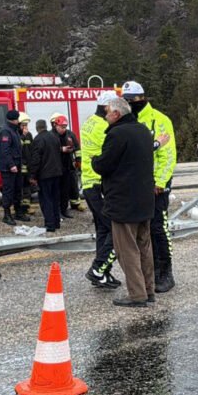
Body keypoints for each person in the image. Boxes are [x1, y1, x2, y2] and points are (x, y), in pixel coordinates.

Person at [92, 97, 155, 307]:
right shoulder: (143, 130)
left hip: (123, 201)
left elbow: (104, 164)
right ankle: (148, 289)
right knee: (144, 247)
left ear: (117, 114)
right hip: (144, 199)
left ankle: (137, 295)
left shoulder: (117, 134)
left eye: (107, 112)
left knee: (126, 250)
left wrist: (93, 160)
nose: (105, 115)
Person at [122, 80, 178, 293]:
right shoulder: (128, 121)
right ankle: (149, 271)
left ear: (142, 98)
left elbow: (168, 155)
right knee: (140, 231)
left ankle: (165, 272)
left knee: (158, 228)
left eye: (132, 100)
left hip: (155, 185)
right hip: (135, 185)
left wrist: (161, 183)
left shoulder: (158, 120)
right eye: (125, 100)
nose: (129, 103)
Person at [80, 91, 122, 289]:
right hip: (99, 184)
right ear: (108, 107)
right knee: (116, 229)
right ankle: (98, 269)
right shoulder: (105, 127)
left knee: (103, 230)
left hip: (89, 183)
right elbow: (113, 154)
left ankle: (103, 273)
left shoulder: (89, 122)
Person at [29, 119, 63, 232]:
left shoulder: (38, 139)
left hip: (45, 175)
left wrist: (32, 175)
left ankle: (50, 224)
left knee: (46, 199)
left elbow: (36, 159)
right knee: (55, 199)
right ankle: (57, 222)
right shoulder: (54, 137)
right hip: (57, 173)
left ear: (37, 127)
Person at [0, 109, 28, 225]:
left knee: (17, 190)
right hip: (9, 168)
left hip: (16, 165)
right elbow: (5, 151)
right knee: (8, 191)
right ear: (14, 119)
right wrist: (11, 165)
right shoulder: (6, 131)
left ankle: (18, 212)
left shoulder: (14, 130)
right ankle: (7, 214)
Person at [51, 114, 81, 218]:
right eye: (61, 127)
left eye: (65, 127)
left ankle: (64, 210)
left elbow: (77, 148)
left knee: (65, 191)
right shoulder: (51, 136)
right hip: (56, 168)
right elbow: (49, 150)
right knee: (57, 191)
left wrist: (78, 160)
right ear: (56, 125)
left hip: (68, 167)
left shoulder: (70, 135)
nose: (63, 129)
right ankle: (57, 211)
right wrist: (61, 149)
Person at [17, 112, 34, 219]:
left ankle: (26, 206)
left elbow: (31, 149)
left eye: (26, 125)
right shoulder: (17, 135)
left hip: (28, 166)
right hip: (19, 167)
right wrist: (22, 136)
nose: (25, 127)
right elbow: (18, 148)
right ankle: (19, 208)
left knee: (27, 188)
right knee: (19, 189)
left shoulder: (29, 135)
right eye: (23, 125)